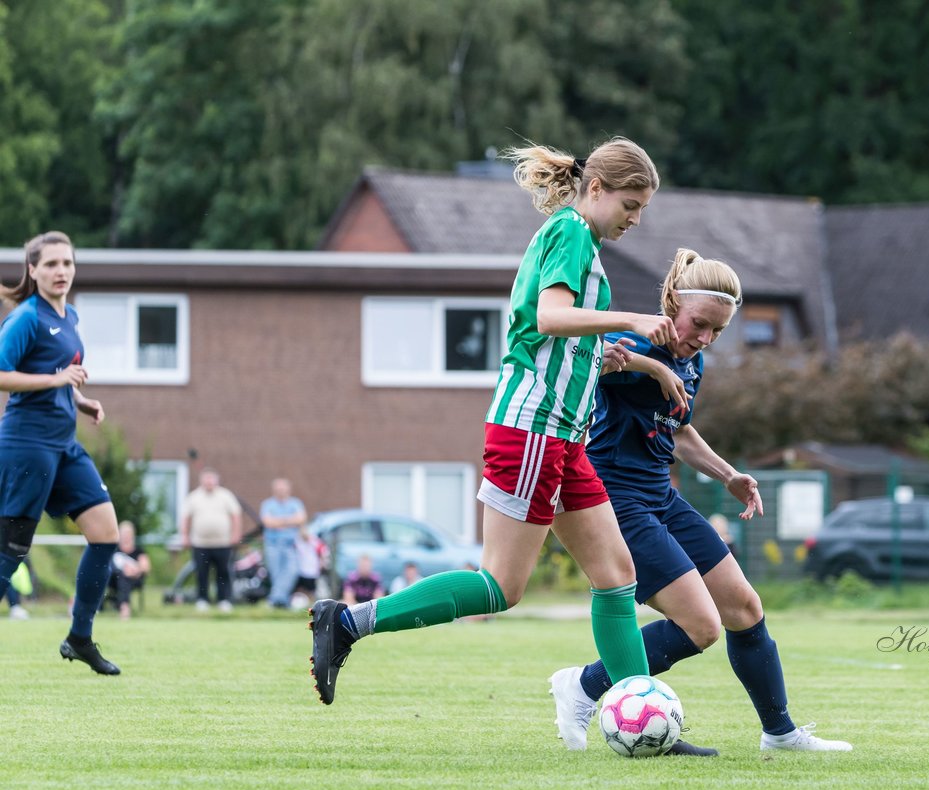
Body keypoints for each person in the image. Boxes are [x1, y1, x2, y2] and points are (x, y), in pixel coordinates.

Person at [308, 137, 678, 718]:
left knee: (616, 574)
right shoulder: (571, 232)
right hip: (533, 428)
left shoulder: (581, 240)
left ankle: (640, 711)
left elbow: (561, 332)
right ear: (598, 189)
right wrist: (632, 317)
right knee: (501, 586)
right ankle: (349, 621)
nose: (636, 218)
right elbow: (551, 317)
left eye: (643, 209)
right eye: (631, 205)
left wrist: (624, 357)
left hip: (565, 437)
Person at [548, 249, 852, 754]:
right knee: (701, 625)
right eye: (699, 324)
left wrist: (729, 474)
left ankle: (780, 733)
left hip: (661, 495)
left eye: (717, 330)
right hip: (615, 501)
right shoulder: (633, 339)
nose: (705, 338)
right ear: (671, 303)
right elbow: (584, 358)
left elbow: (680, 429)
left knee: (744, 607)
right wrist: (652, 366)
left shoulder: (694, 362)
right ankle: (582, 686)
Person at [0, 231, 122, 674]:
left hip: (64, 445)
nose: (61, 271)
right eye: (50, 264)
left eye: (67, 263)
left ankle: (80, 637)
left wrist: (77, 399)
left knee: (106, 534)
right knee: (11, 552)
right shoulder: (25, 319)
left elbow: (57, 375)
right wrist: (56, 382)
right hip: (26, 447)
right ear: (32, 271)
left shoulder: (69, 315)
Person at [179, 468, 242, 612]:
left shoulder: (226, 495)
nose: (209, 482)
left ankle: (224, 600)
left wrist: (236, 534)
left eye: (211, 479)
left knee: (223, 572)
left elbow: (236, 516)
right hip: (200, 543)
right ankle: (202, 600)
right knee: (201, 573)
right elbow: (185, 518)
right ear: (201, 481)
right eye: (206, 479)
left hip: (223, 543)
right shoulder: (194, 497)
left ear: (216, 480)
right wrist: (184, 535)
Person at [259, 478, 307, 609]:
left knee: (292, 571)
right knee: (276, 574)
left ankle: (275, 600)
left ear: (288, 489)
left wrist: (279, 522)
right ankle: (282, 602)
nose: (281, 491)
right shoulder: (268, 504)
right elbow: (268, 523)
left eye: (283, 488)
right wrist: (290, 521)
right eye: (278, 489)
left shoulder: (295, 503)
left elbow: (301, 519)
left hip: (290, 544)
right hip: (272, 544)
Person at [107, 520, 150, 620]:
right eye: (123, 533)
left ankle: (124, 607)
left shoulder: (138, 551)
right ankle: (122, 606)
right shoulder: (115, 550)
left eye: (128, 533)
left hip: (134, 579)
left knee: (124, 577)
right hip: (114, 579)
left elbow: (146, 567)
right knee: (119, 574)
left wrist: (135, 570)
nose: (126, 536)